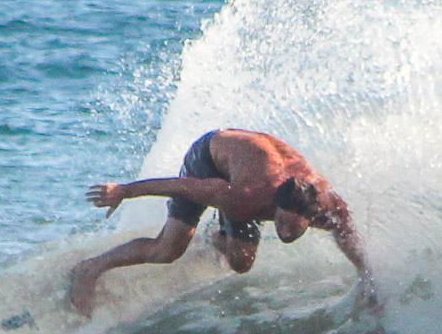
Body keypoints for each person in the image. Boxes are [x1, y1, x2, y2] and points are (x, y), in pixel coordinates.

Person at [68, 129, 377, 315]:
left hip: (247, 168)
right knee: (168, 251)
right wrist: (124, 191)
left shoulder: (329, 209)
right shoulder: (244, 196)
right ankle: (89, 269)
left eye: (292, 228)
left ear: (311, 218)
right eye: (280, 222)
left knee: (241, 263)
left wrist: (366, 277)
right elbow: (180, 186)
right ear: (274, 206)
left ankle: (217, 236)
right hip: (209, 158)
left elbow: (349, 239)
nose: (283, 232)